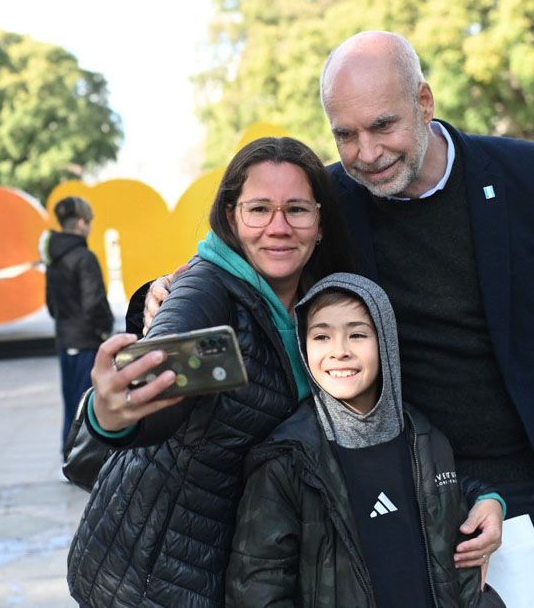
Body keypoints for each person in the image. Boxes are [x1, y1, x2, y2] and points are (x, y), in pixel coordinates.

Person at [144, 31, 534, 606]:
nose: (365, 152)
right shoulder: (334, 197)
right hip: (416, 484)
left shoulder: (531, 175)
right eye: (345, 134)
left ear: (424, 103)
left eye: (383, 126)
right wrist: (160, 291)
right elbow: (246, 252)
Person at [67, 137, 362, 607]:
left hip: (240, 565)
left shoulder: (322, 301)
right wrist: (112, 412)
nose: (278, 227)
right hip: (156, 578)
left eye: (298, 210)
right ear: (231, 217)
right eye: (259, 209)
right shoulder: (204, 293)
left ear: (321, 222)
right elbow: (156, 406)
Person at [227, 273, 506, 607]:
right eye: (321, 337)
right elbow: (257, 592)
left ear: (386, 342)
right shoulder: (286, 461)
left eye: (357, 334)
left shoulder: (425, 438)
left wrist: (491, 499)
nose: (339, 351)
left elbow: (460, 565)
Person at [42, 196, 114, 448]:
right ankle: (86, 461)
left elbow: (51, 305)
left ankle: (68, 455)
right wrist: (106, 330)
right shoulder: (84, 257)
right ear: (82, 223)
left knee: (71, 401)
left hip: (65, 340)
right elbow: (95, 303)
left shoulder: (53, 258)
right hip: (87, 342)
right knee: (90, 404)